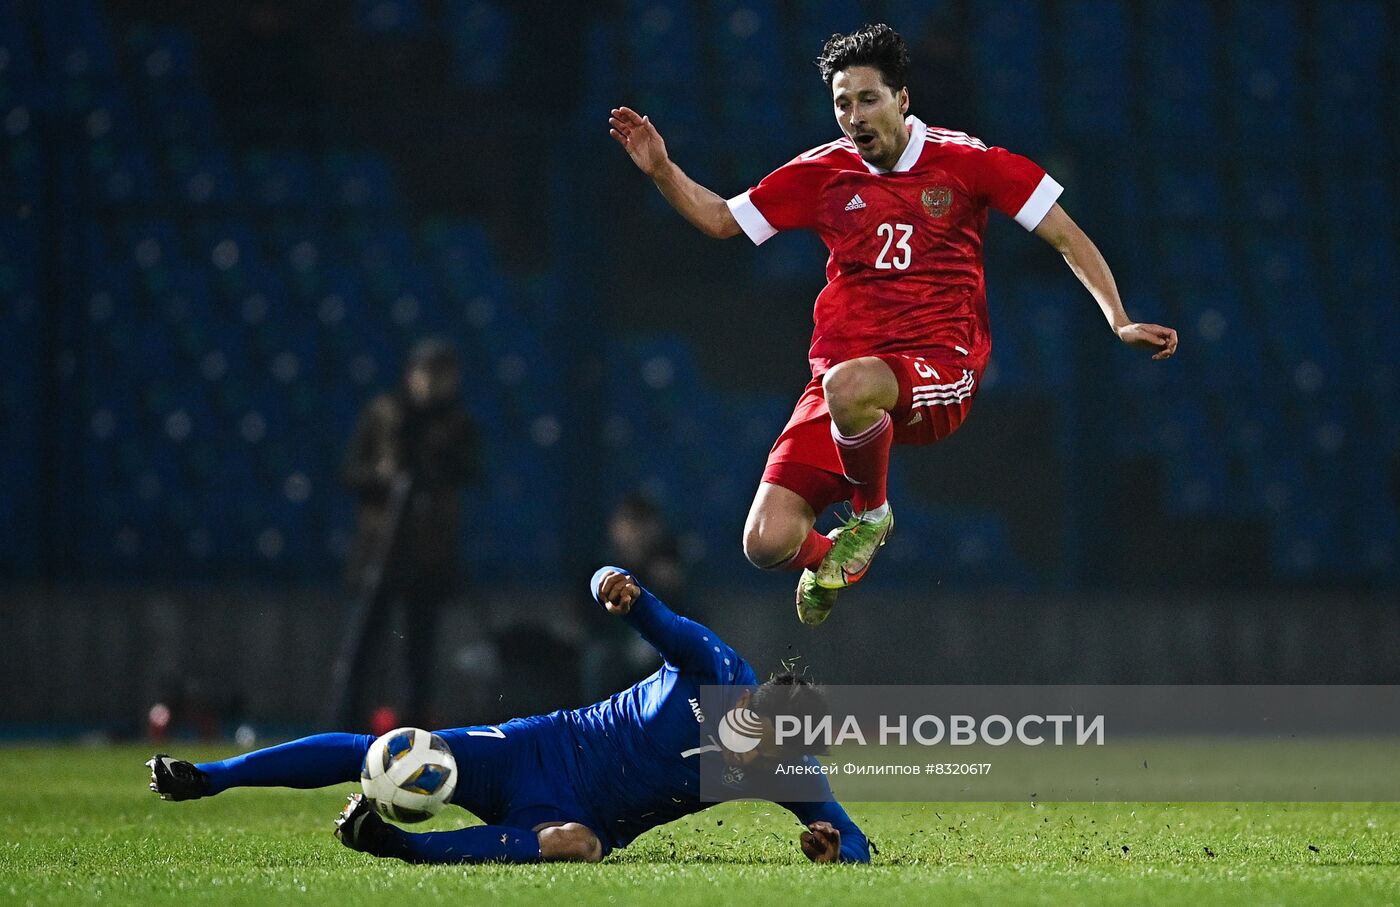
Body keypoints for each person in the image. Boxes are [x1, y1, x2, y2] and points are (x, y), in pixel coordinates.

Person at [609, 24, 1178, 625]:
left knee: (849, 387)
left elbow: (1066, 235)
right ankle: (834, 559)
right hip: (844, 375)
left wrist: (1118, 319)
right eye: (842, 104)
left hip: (940, 362)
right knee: (765, 541)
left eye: (867, 99)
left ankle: (871, 516)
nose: (854, 116)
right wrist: (662, 170)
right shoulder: (823, 172)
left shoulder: (968, 161)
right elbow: (723, 220)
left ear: (902, 100)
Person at [147, 568, 870, 865]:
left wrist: (835, 844)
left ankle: (398, 845)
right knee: (394, 749)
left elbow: (861, 844)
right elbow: (645, 607)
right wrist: (614, 587)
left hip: (575, 812)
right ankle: (211, 776)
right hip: (533, 751)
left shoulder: (786, 770)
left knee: (580, 846)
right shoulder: (715, 665)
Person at [338, 336, 478, 727]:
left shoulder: (457, 423)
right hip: (381, 545)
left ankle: (414, 729)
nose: (434, 384)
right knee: (363, 645)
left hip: (428, 551)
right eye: (427, 374)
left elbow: (470, 471)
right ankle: (345, 725)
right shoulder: (385, 414)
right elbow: (351, 472)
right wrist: (382, 476)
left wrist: (437, 463)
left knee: (419, 653)